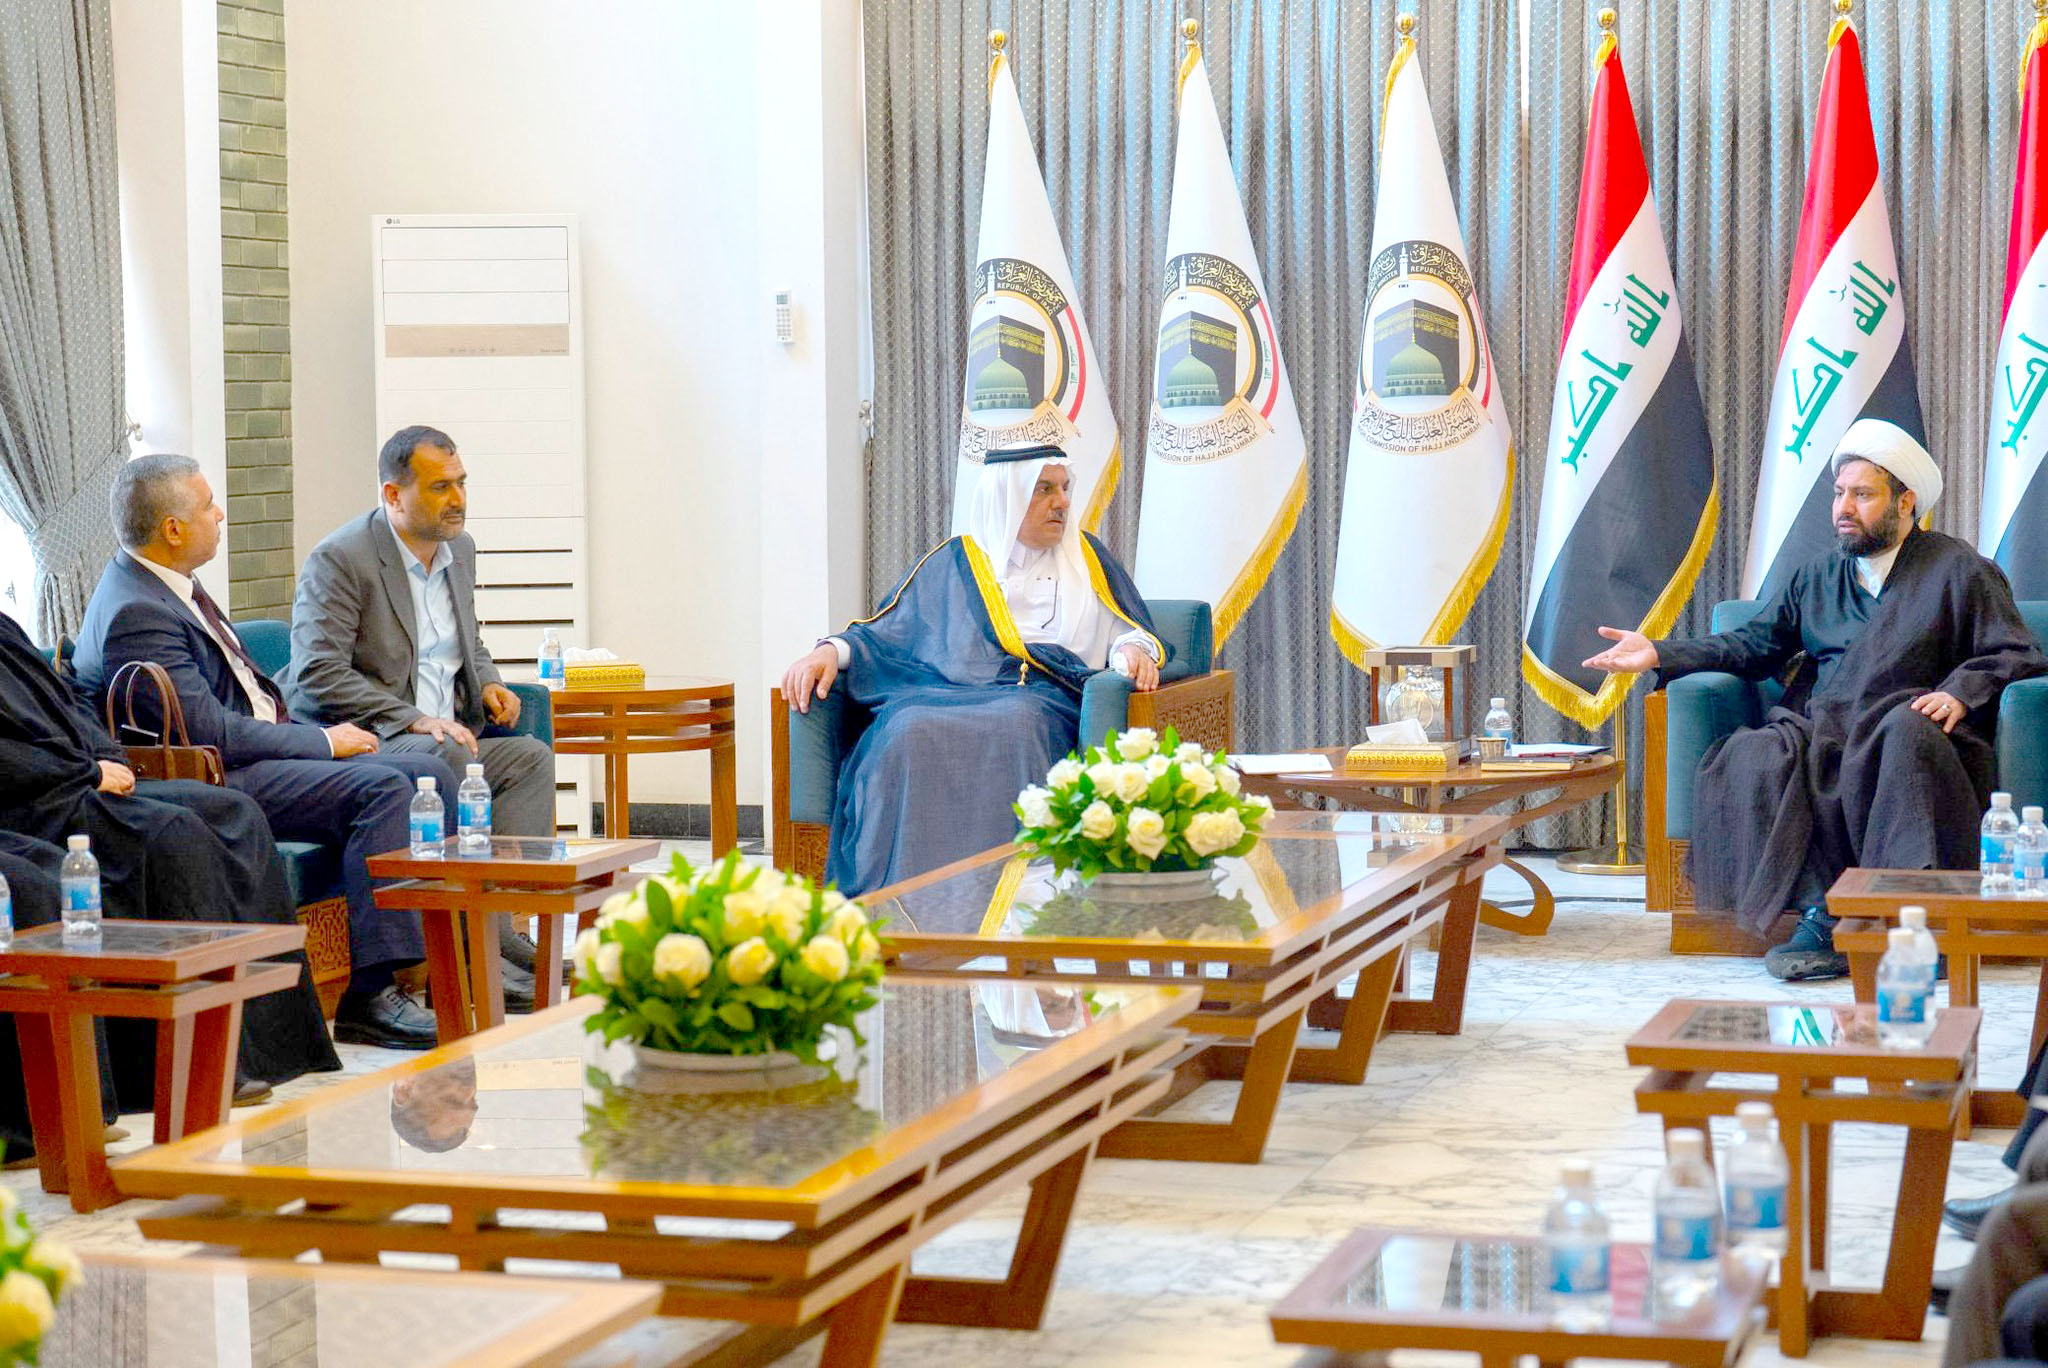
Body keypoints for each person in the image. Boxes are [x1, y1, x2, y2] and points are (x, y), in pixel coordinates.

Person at [69, 453, 526, 1049]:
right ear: (173, 529)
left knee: (425, 771)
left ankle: (452, 963)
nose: (220, 514)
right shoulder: (138, 608)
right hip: (216, 777)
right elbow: (213, 733)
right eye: (208, 505)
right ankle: (372, 994)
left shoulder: (164, 584)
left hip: (256, 755)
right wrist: (323, 741)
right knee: (386, 788)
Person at [1583, 419, 2048, 980]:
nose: (1843, 508)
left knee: (1904, 732)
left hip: (1911, 727)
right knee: (1755, 754)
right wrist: (1659, 651)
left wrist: (1958, 693)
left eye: (1862, 494)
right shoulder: (1819, 576)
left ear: (1905, 503)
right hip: (1823, 726)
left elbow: (2015, 651)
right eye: (1839, 493)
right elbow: (1754, 644)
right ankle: (1821, 915)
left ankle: (1910, 919)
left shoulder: (1959, 569)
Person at [780, 443, 1165, 895]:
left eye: (1064, 488)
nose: (1062, 502)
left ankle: (1018, 898)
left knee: (1018, 723)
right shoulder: (957, 561)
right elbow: (887, 631)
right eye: (1044, 489)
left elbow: (1128, 630)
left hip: (1038, 699)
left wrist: (1132, 650)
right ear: (1007, 497)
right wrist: (829, 651)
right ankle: (900, 901)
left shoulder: (1087, 562)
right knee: (905, 727)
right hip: (942, 694)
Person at [0, 608, 337, 1088]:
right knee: (171, 832)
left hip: (84, 779)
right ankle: (202, 1065)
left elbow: (68, 700)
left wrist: (107, 755)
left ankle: (278, 1046)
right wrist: (87, 773)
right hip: (37, 801)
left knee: (235, 812)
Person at [285, 425, 555, 977]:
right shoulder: (341, 559)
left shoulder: (460, 549)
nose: (457, 499)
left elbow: (467, 639)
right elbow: (317, 671)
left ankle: (499, 934)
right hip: (369, 740)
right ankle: (459, 955)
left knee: (530, 759)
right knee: (446, 753)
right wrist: (414, 719)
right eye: (439, 487)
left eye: (461, 483)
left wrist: (488, 682)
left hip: (447, 737)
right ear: (393, 494)